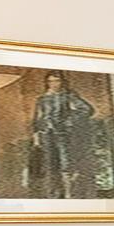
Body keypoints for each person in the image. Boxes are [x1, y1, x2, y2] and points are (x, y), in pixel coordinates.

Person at [29, 70, 99, 199]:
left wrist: (69, 120)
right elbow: (37, 119)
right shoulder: (42, 99)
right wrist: (36, 137)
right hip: (46, 136)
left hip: (63, 135)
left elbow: (87, 110)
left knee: (66, 165)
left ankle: (69, 195)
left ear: (62, 82)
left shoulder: (68, 96)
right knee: (50, 166)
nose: (54, 84)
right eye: (50, 81)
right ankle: (54, 196)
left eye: (57, 81)